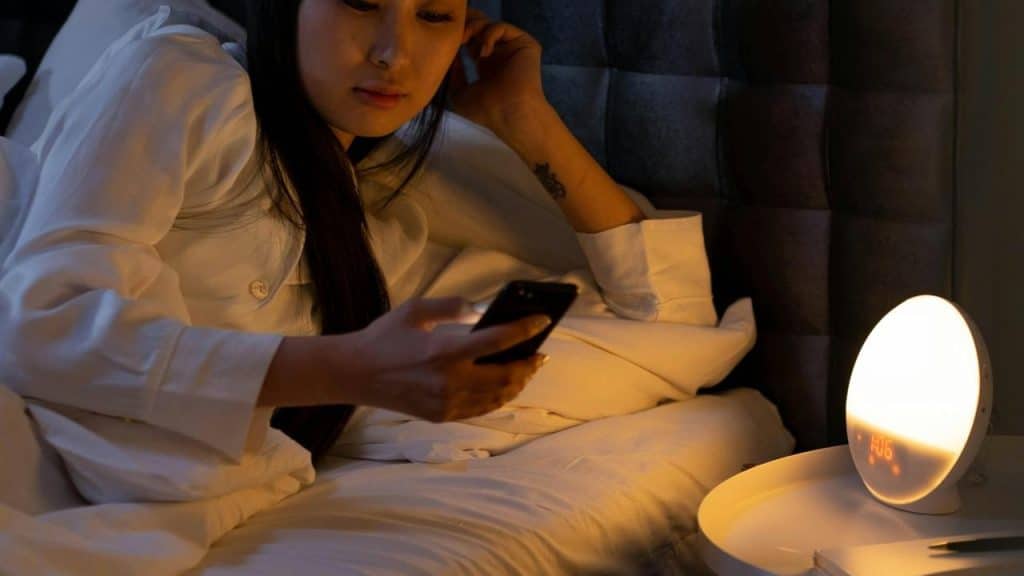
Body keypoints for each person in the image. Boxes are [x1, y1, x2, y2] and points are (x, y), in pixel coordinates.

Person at [0, 0, 693, 466]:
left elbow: (670, 323)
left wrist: (525, 119)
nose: (395, 55)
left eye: (433, 16)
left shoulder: (385, 203)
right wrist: (356, 368)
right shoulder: (185, 77)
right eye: (361, 2)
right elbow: (34, 324)